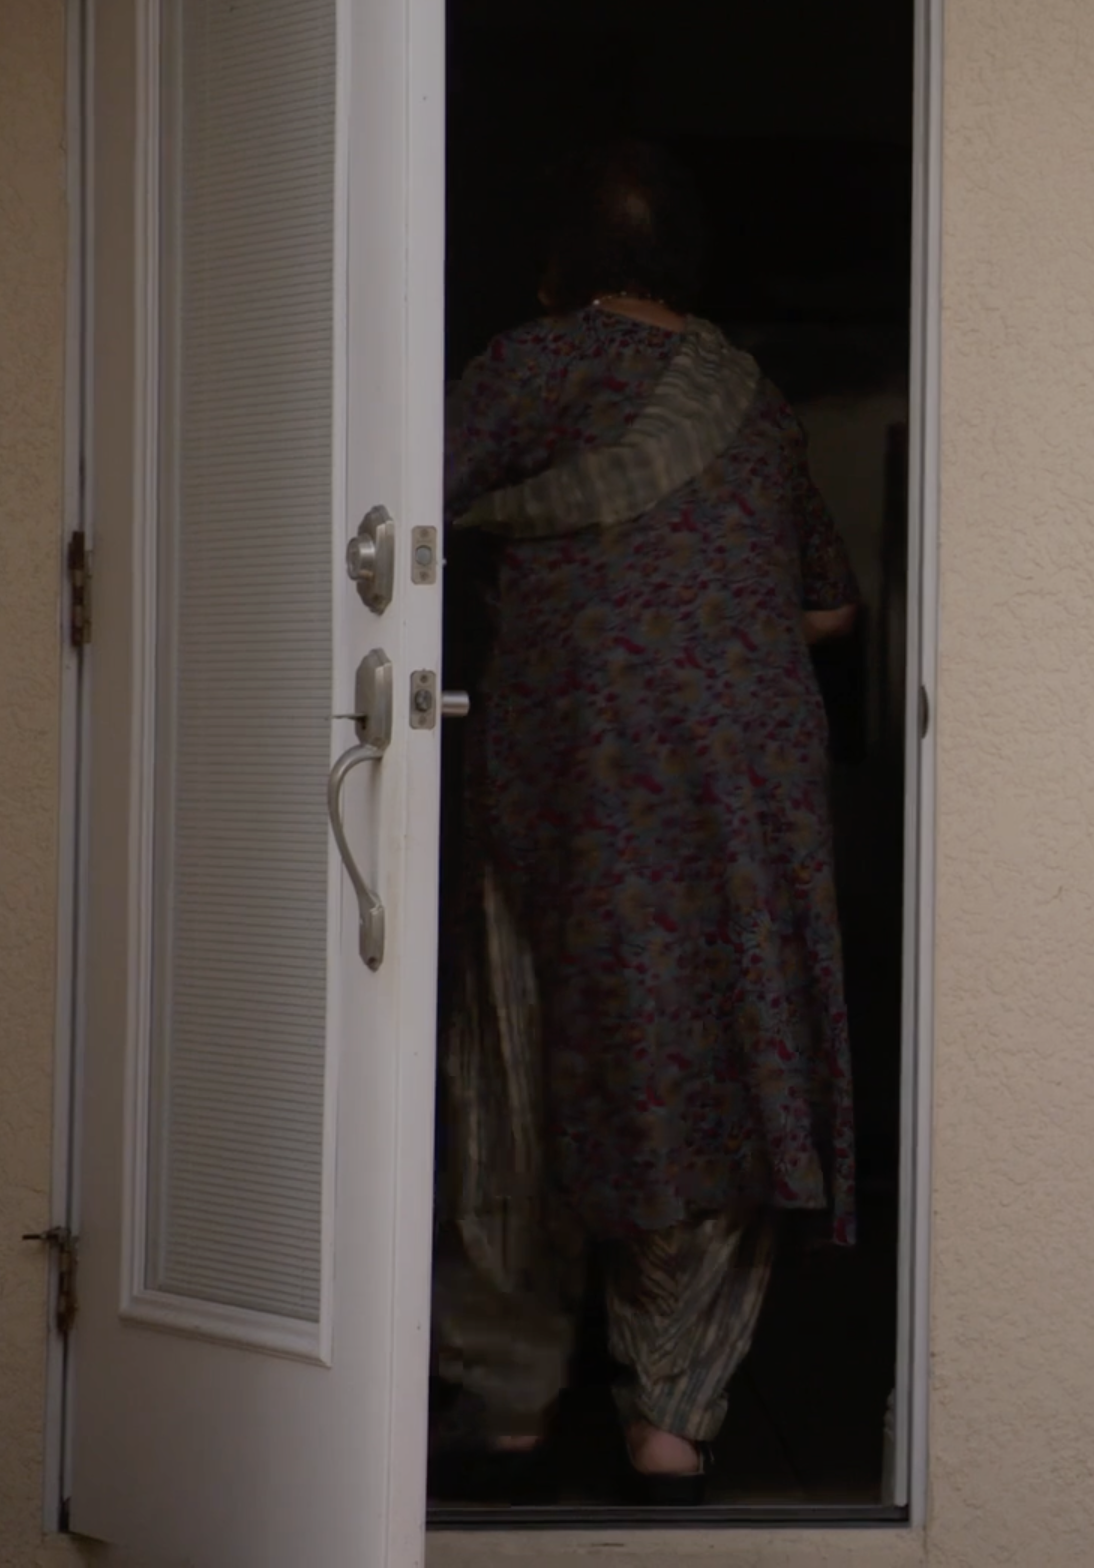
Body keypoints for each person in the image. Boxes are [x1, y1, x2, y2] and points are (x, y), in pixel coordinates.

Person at [432, 139, 861, 1505]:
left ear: (559, 258)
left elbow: (379, 526)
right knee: (704, 1056)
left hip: (572, 773)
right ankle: (671, 1420)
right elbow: (828, 605)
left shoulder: (529, 369)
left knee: (529, 1052)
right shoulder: (753, 397)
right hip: (740, 787)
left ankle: (510, 1400)